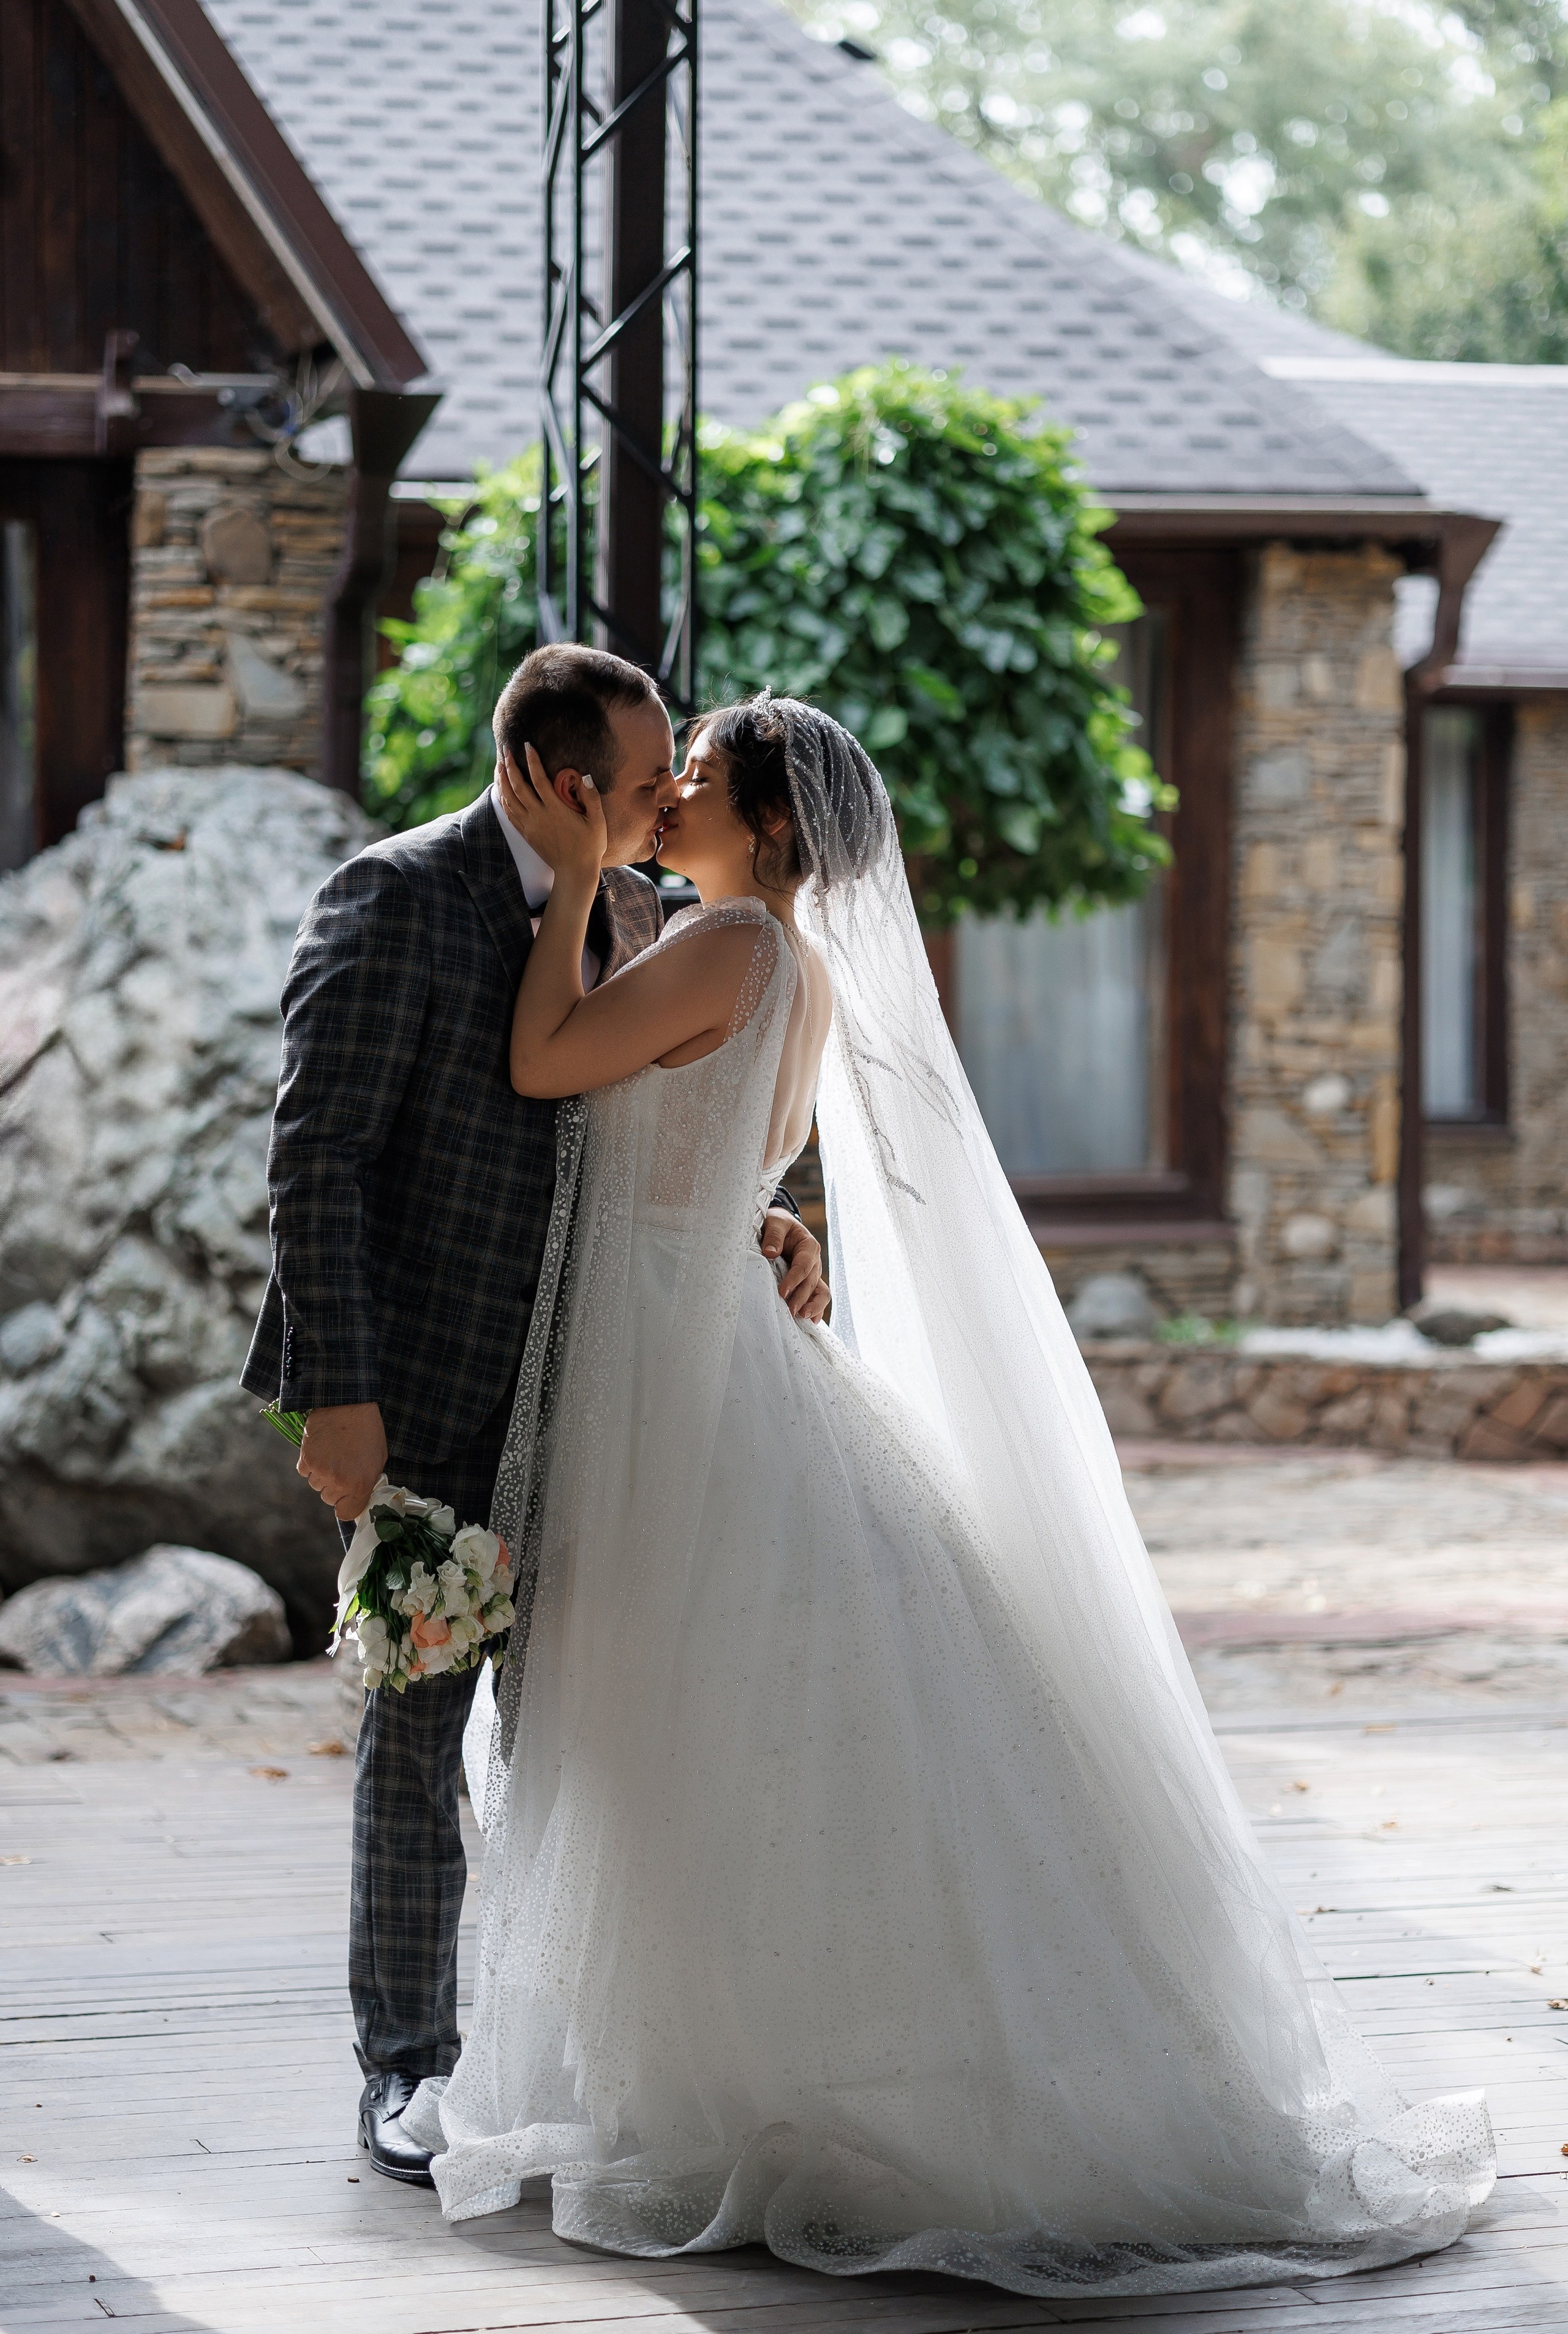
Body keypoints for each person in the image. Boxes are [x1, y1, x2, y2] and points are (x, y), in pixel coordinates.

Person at [404, 691, 1493, 2301]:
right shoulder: (793, 968)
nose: (663, 797)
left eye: (691, 780)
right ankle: (740, 2063)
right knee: (706, 1729)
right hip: (691, 1342)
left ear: (769, 828)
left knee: (690, 1722)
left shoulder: (734, 947)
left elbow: (546, 1055)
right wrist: (777, 1231)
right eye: (664, 778)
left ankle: (765, 2079)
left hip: (679, 1380)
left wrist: (568, 874)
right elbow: (730, 1165)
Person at [241, 646, 824, 2188]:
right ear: (568, 786)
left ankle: (557, 2054)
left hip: (605, 1401)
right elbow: (316, 1163)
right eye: (642, 786)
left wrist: (751, 1224)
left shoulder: (641, 905)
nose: (658, 807)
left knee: (583, 1739)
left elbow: (646, 1124)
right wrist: (337, 1394)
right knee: (417, 1727)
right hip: (427, 1392)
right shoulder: (392, 895)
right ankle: (404, 2065)